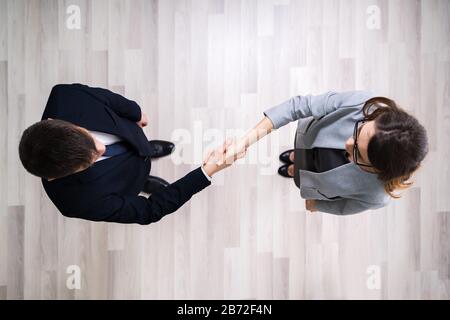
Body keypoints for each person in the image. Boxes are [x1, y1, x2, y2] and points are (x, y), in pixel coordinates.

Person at [18, 83, 242, 224]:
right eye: (89, 161)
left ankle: (146, 149)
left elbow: (104, 98)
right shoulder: (74, 203)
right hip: (125, 183)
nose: (101, 148)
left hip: (131, 134)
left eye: (88, 137)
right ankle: (144, 181)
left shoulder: (64, 96)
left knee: (142, 147)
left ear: (55, 122)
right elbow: (149, 211)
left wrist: (135, 112)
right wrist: (208, 171)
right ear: (56, 177)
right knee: (137, 182)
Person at [220, 91, 429, 215]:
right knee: (299, 154)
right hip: (307, 138)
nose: (348, 142)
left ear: (379, 171)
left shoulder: (377, 197)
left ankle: (293, 169)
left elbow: (345, 206)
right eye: (359, 131)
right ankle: (294, 157)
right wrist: (244, 141)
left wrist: (319, 206)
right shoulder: (367, 103)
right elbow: (300, 106)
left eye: (358, 154)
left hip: (316, 182)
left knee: (299, 174)